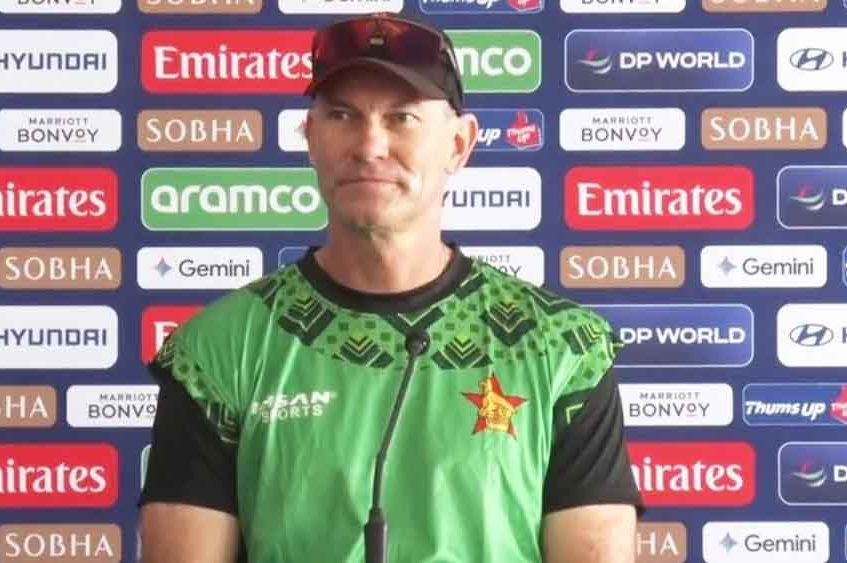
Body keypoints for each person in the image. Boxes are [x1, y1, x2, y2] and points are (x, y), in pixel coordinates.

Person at [138, 12, 643, 563]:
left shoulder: (564, 348)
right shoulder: (215, 352)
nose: (370, 145)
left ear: (458, 145)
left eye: (402, 118)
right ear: (311, 138)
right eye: (342, 115)